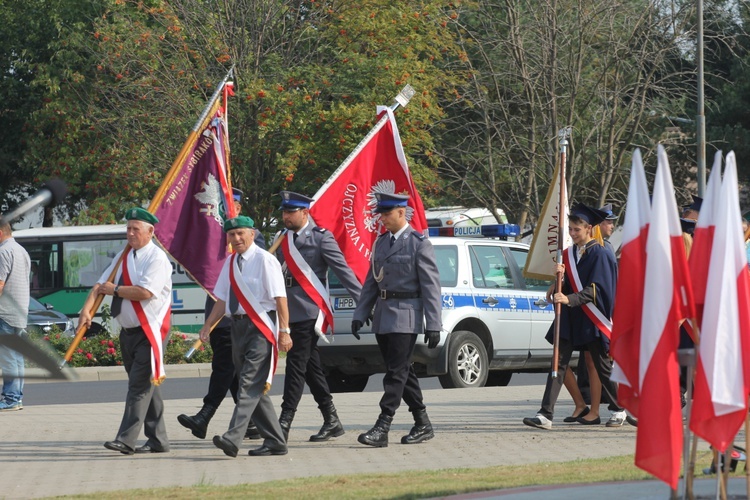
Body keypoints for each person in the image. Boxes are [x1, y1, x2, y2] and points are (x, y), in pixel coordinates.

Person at [523, 203, 625, 430]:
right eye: (570, 229)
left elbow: (597, 288)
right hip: (572, 317)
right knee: (557, 363)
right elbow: (572, 281)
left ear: (589, 228)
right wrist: (558, 281)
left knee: (602, 366)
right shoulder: (569, 254)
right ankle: (545, 414)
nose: (572, 233)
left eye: (576, 230)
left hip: (592, 317)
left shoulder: (600, 252)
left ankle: (618, 409)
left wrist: (570, 299)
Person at [351, 192, 442, 447]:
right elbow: (371, 281)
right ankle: (422, 423)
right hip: (383, 315)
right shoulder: (380, 243)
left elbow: (431, 286)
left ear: (401, 212)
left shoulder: (418, 243)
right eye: (380, 213)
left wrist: (433, 323)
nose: (382, 218)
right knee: (402, 370)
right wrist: (360, 314)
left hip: (406, 315)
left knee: (395, 372)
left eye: (387, 213)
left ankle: (383, 425)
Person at [79, 208, 172, 454]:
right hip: (128, 332)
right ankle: (158, 440)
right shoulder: (123, 255)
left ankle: (126, 439)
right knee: (146, 387)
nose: (130, 234)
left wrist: (116, 290)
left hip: (150, 331)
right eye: (128, 229)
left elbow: (145, 292)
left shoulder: (157, 258)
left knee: (138, 386)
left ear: (150, 232)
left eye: (135, 229)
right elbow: (100, 286)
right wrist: (86, 311)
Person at [274, 191, 362, 442]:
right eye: (284, 212)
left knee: (295, 365)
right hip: (289, 310)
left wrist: (363, 304)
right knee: (311, 368)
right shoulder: (282, 238)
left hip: (310, 310)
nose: (285, 216)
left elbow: (343, 271)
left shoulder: (321, 238)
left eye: (290, 212)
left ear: (305, 212)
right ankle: (331, 419)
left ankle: (284, 423)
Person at [178, 187, 265, 441]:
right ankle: (252, 423)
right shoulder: (213, 238)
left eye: (231, 206)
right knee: (234, 375)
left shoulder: (250, 237)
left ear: (238, 207)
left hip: (238, 316)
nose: (227, 212)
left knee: (224, 368)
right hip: (216, 311)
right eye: (223, 208)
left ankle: (205, 415)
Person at [200, 215, 291, 457]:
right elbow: (221, 299)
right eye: (232, 235)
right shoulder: (231, 263)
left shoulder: (265, 260)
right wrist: (208, 325)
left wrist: (284, 331)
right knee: (254, 387)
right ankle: (276, 441)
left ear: (252, 234)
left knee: (248, 383)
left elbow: (280, 298)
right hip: (237, 328)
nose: (237, 238)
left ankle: (232, 437)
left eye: (241, 233)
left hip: (261, 328)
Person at [0, 222, 31, 411]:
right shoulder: (21, 251)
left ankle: (10, 399)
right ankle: (17, 398)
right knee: (17, 358)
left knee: (8, 358)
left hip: (4, 313)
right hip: (20, 312)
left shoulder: (3, 252)